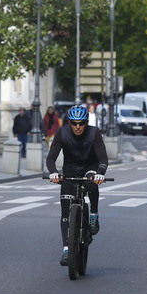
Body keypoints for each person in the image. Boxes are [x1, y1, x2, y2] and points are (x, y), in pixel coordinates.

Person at [46, 104, 108, 266]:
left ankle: (93, 215)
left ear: (87, 122)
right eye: (74, 123)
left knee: (92, 181)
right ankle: (67, 248)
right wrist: (53, 172)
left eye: (81, 123)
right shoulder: (62, 132)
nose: (78, 127)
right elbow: (51, 158)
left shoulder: (94, 133)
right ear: (69, 123)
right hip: (70, 171)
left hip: (90, 169)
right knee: (65, 210)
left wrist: (100, 173)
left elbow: (103, 158)